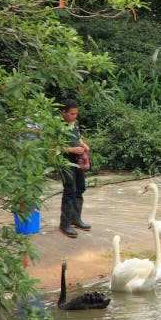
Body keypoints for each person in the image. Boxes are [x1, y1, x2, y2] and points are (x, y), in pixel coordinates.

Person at [59, 99, 91, 238]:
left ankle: (76, 220)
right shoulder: (57, 126)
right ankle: (64, 224)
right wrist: (71, 149)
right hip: (66, 162)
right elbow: (53, 147)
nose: (74, 116)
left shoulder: (75, 123)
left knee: (80, 189)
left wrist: (83, 145)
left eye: (76, 113)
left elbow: (78, 138)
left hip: (78, 162)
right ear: (64, 112)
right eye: (72, 114)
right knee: (69, 191)